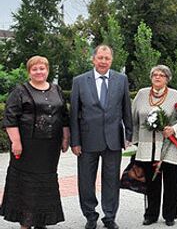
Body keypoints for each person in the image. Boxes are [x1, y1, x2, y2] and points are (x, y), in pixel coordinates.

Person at [0, 56, 69, 229]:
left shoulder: (56, 89)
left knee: (45, 183)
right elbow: (10, 118)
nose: (39, 72)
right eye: (35, 69)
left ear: (48, 70)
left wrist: (66, 137)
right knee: (26, 184)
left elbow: (64, 116)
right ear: (29, 71)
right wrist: (16, 142)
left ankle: (41, 220)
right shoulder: (20, 91)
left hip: (50, 149)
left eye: (42, 68)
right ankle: (26, 221)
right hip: (27, 147)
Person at [70, 44, 133, 229]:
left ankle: (109, 216)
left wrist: (128, 134)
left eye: (107, 58)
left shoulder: (121, 80)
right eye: (100, 58)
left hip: (113, 140)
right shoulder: (79, 81)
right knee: (86, 180)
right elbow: (74, 113)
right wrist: (75, 141)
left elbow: (126, 109)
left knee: (112, 180)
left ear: (112, 60)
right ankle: (90, 216)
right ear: (93, 59)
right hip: (87, 140)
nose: (104, 61)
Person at [131, 65, 177, 226]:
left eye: (162, 75)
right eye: (155, 75)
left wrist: (173, 129)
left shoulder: (176, 96)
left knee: (172, 182)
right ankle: (151, 214)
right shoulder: (142, 95)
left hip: (169, 146)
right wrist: (135, 141)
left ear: (167, 79)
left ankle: (169, 215)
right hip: (147, 146)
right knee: (151, 182)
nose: (157, 77)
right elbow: (133, 119)